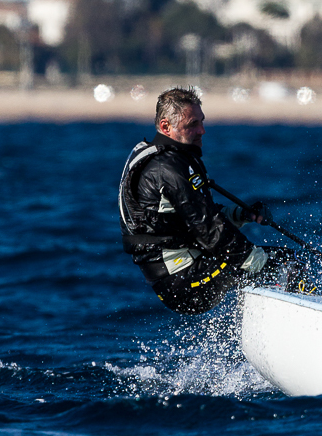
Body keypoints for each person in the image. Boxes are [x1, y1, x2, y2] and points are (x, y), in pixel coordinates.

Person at [119, 84, 284, 314]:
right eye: (193, 124)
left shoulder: (165, 157)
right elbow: (209, 230)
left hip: (186, 271)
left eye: (202, 121)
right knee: (286, 266)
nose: (202, 130)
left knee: (272, 263)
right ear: (166, 126)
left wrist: (242, 214)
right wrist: (261, 263)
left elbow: (197, 218)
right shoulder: (168, 168)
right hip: (182, 283)